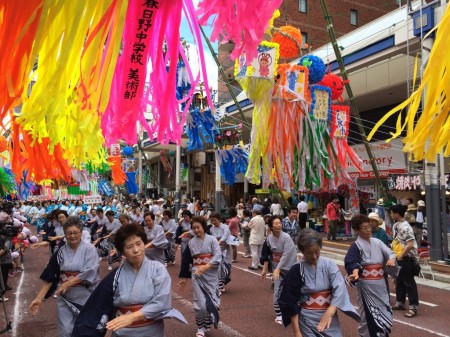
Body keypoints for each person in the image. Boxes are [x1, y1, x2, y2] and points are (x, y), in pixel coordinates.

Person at [72, 223, 186, 337]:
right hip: (123, 332)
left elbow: (162, 302)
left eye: (139, 243)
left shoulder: (158, 269)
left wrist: (132, 317)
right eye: (130, 247)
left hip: (152, 331)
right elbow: (97, 306)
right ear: (123, 251)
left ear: (144, 243)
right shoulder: (115, 276)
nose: (136, 250)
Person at [279, 228, 360, 336]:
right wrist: (297, 332)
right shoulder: (296, 270)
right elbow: (290, 301)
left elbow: (340, 288)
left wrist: (330, 311)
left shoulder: (329, 264)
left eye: (317, 252)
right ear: (302, 251)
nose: (314, 256)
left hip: (329, 317)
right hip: (306, 319)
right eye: (309, 253)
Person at [29, 216, 100, 337]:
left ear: (81, 232)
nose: (72, 236)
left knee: (85, 330)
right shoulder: (60, 251)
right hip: (65, 297)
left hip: (86, 296)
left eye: (76, 233)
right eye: (69, 233)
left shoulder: (90, 249)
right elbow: (50, 274)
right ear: (65, 234)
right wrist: (39, 298)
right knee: (66, 331)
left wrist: (68, 283)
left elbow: (90, 271)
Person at [345, 214, 398, 337]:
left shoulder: (378, 242)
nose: (368, 230)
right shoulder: (356, 246)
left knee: (385, 311)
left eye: (369, 227)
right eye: (364, 228)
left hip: (380, 284)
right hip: (366, 287)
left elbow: (390, 253)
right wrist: (355, 272)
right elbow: (352, 261)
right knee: (367, 315)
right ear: (357, 230)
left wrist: (392, 259)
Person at [178, 216, 222, 337]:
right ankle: (200, 327)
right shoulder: (191, 243)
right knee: (200, 304)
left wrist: (206, 266)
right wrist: (183, 278)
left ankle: (207, 321)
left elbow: (218, 255)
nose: (196, 230)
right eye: (194, 228)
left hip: (211, 274)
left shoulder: (212, 240)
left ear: (203, 227)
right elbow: (186, 260)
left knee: (213, 302)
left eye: (198, 227)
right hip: (197, 275)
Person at [260, 216, 297, 325]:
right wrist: (264, 270)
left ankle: (293, 312)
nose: (279, 225)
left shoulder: (286, 237)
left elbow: (286, 254)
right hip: (277, 267)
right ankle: (279, 315)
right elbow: (265, 255)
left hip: (289, 267)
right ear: (271, 226)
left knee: (292, 290)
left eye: (280, 223)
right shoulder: (268, 239)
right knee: (277, 291)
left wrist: (278, 268)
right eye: (276, 223)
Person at [390, 204, 419, 318]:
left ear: (397, 214)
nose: (391, 214)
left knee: (408, 282)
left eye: (392, 213)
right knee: (399, 281)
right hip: (398, 256)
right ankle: (400, 302)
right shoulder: (396, 225)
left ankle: (413, 306)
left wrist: (402, 255)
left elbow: (410, 244)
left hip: (406, 257)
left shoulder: (406, 227)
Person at [209, 212, 232, 293]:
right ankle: (219, 285)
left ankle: (221, 283)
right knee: (217, 268)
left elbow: (226, 235)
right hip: (216, 251)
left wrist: (220, 241)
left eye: (214, 220)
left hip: (225, 251)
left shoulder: (225, 227)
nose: (213, 222)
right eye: (212, 221)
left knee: (226, 267)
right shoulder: (212, 229)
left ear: (219, 219)